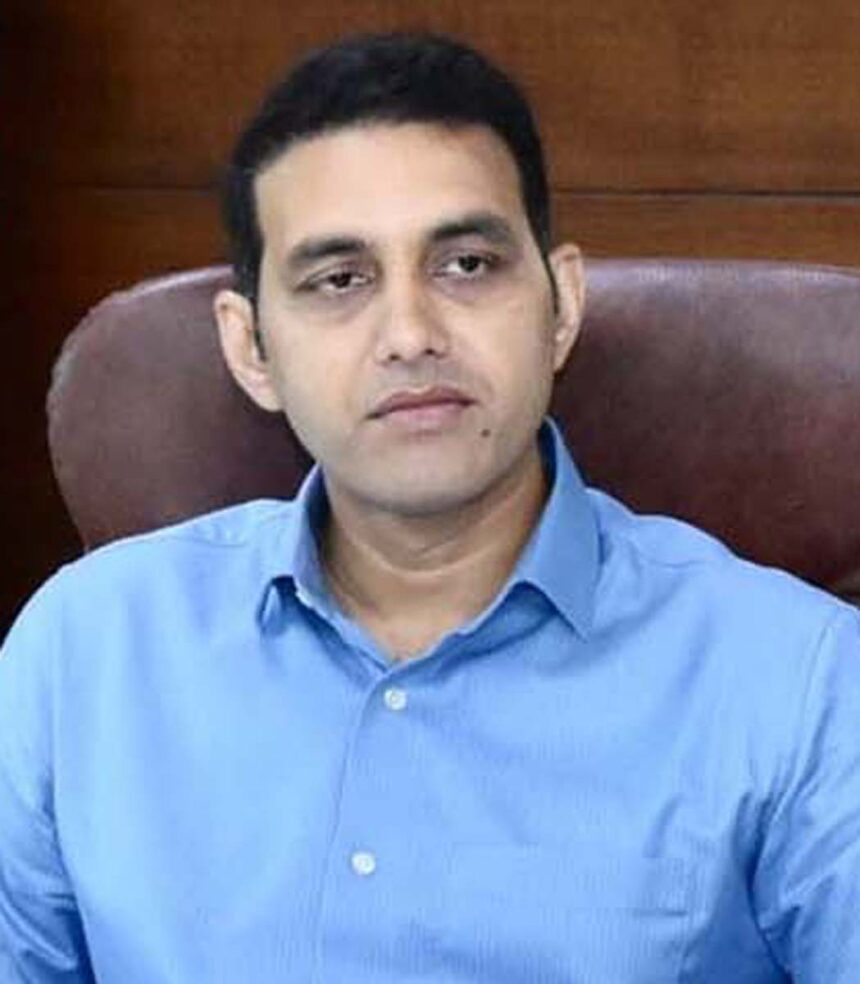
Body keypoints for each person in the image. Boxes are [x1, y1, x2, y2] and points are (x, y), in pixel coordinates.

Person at [1, 31, 858, 984]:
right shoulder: (83, 652)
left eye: (467, 265)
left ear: (561, 305)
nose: (410, 334)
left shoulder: (799, 680)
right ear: (251, 349)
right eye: (340, 280)